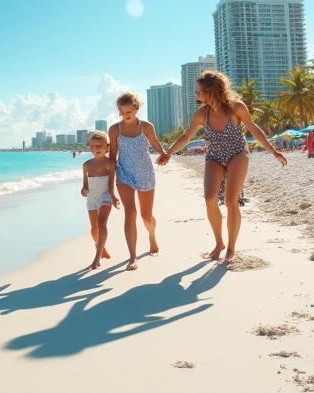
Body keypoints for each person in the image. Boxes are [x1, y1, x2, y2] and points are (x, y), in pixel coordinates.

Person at [158, 70, 286, 265]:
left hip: (237, 155)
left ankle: (231, 248)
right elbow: (186, 136)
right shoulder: (202, 113)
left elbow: (254, 129)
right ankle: (219, 243)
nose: (196, 95)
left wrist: (273, 151)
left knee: (230, 201)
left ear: (211, 91)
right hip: (215, 157)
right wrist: (168, 153)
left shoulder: (236, 108)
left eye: (199, 91)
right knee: (210, 199)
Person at [108, 91, 167, 271]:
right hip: (124, 174)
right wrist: (110, 187)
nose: (126, 113)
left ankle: (152, 236)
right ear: (119, 111)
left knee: (146, 216)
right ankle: (132, 256)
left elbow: (156, 144)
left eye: (129, 110)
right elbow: (112, 157)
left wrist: (164, 154)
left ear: (136, 109)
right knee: (130, 213)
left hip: (145, 173)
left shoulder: (146, 127)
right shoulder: (115, 130)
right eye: (123, 111)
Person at [80, 131, 120, 270]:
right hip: (92, 197)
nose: (96, 148)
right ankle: (100, 247)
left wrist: (113, 197)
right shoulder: (86, 165)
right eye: (93, 146)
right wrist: (84, 190)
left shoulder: (110, 163)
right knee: (94, 228)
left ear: (107, 147)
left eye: (99, 146)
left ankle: (97, 258)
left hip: (105, 195)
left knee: (101, 223)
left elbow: (111, 182)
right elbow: (85, 185)